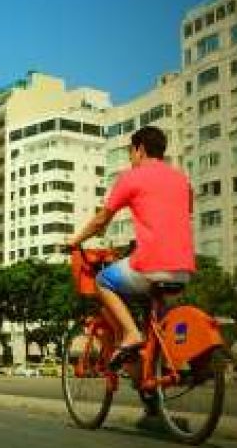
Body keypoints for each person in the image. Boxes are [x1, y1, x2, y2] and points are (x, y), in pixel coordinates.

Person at [67, 126, 195, 368]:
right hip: (184, 270)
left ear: (140, 149)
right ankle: (154, 390)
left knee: (103, 281)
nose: (130, 158)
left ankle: (130, 333)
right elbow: (178, 215)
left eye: (130, 153)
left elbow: (100, 220)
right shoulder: (182, 180)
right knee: (157, 325)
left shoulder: (131, 177)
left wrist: (75, 241)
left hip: (151, 265)